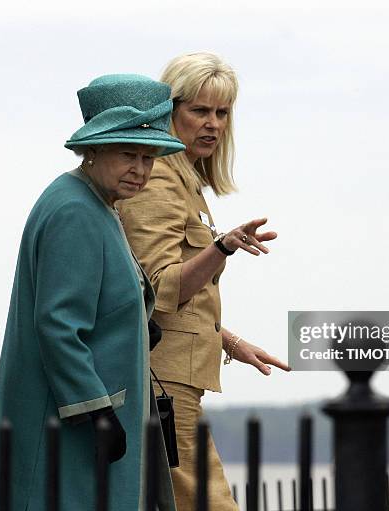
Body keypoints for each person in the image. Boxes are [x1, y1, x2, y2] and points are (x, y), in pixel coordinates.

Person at [0, 74, 186, 511]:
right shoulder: (76, 209)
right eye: (128, 154)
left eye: (149, 157)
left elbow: (99, 295)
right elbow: (58, 324)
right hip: (72, 424)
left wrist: (137, 321)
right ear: (92, 150)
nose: (141, 169)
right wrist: (96, 413)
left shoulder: (94, 202)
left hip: (91, 416)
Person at [116, 53, 291, 511]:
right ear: (169, 112)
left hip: (179, 377)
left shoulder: (184, 180)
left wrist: (229, 341)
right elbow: (159, 288)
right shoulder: (157, 180)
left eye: (222, 112)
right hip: (163, 379)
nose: (213, 124)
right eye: (199, 110)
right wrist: (224, 247)